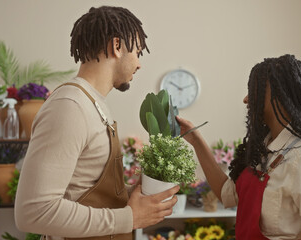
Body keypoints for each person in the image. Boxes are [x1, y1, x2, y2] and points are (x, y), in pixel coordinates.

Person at [15, 6, 179, 240]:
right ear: (117, 46)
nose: (139, 64)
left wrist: (134, 197)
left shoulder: (93, 104)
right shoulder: (70, 107)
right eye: (138, 53)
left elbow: (85, 190)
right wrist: (129, 218)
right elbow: (34, 212)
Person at [177, 54, 301, 240]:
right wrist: (195, 139)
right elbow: (227, 195)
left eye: (255, 90)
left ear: (280, 95)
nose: (246, 99)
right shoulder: (263, 153)